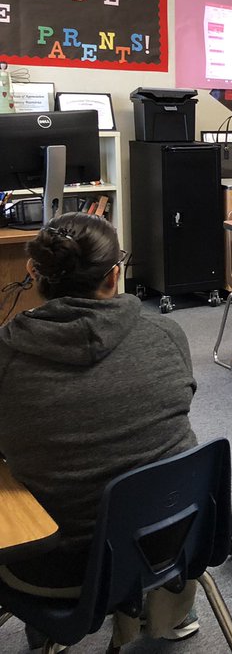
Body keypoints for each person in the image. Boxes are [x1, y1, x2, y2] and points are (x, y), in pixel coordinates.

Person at [0, 214, 199, 648]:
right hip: (171, 540)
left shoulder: (6, 354)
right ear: (114, 276)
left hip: (56, 566)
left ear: (34, 274)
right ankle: (168, 608)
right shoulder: (168, 333)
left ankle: (49, 628)